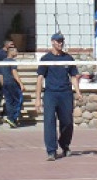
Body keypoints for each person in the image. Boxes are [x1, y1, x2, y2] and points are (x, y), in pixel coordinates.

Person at [35, 32, 81, 161]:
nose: (60, 43)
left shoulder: (68, 58)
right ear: (52, 42)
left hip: (66, 93)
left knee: (67, 122)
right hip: (50, 93)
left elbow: (73, 76)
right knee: (49, 122)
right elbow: (39, 79)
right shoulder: (45, 59)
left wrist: (78, 92)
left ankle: (65, 145)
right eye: (58, 41)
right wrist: (37, 99)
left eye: (62, 41)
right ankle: (51, 151)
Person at [0, 44, 24, 128]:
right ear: (11, 52)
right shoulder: (12, 61)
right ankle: (12, 118)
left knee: (9, 101)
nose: (17, 52)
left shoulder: (2, 62)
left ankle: (11, 120)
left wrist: (3, 85)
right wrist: (21, 84)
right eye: (16, 51)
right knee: (19, 100)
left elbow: (1, 75)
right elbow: (14, 73)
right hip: (12, 83)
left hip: (5, 83)